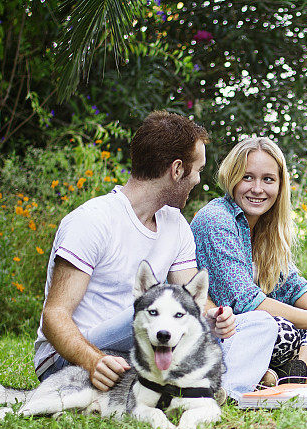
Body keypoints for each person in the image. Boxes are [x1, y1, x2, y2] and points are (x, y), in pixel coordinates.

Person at [35, 111, 277, 400]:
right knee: (148, 311)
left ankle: (221, 391)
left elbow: (192, 301)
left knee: (261, 323)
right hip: (75, 357)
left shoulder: (175, 226)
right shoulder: (92, 221)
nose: (198, 179)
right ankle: (204, 380)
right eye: (197, 169)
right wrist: (92, 361)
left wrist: (214, 317)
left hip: (148, 345)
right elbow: (54, 316)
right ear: (177, 170)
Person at [190, 137, 307, 383]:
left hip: (261, 326)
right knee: (283, 331)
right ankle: (270, 370)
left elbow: (294, 286)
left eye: (268, 179)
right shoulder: (216, 219)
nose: (258, 188)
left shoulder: (268, 227)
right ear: (232, 178)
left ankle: (295, 372)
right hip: (223, 331)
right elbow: (246, 303)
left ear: (279, 185)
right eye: (247, 177)